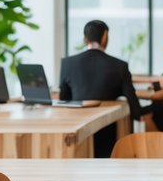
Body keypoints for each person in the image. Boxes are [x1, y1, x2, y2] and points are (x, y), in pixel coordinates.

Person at [59, 20, 142, 158]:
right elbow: (133, 104)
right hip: (110, 135)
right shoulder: (119, 66)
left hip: (78, 136)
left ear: (85, 39)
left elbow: (64, 100)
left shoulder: (67, 63)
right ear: (105, 37)